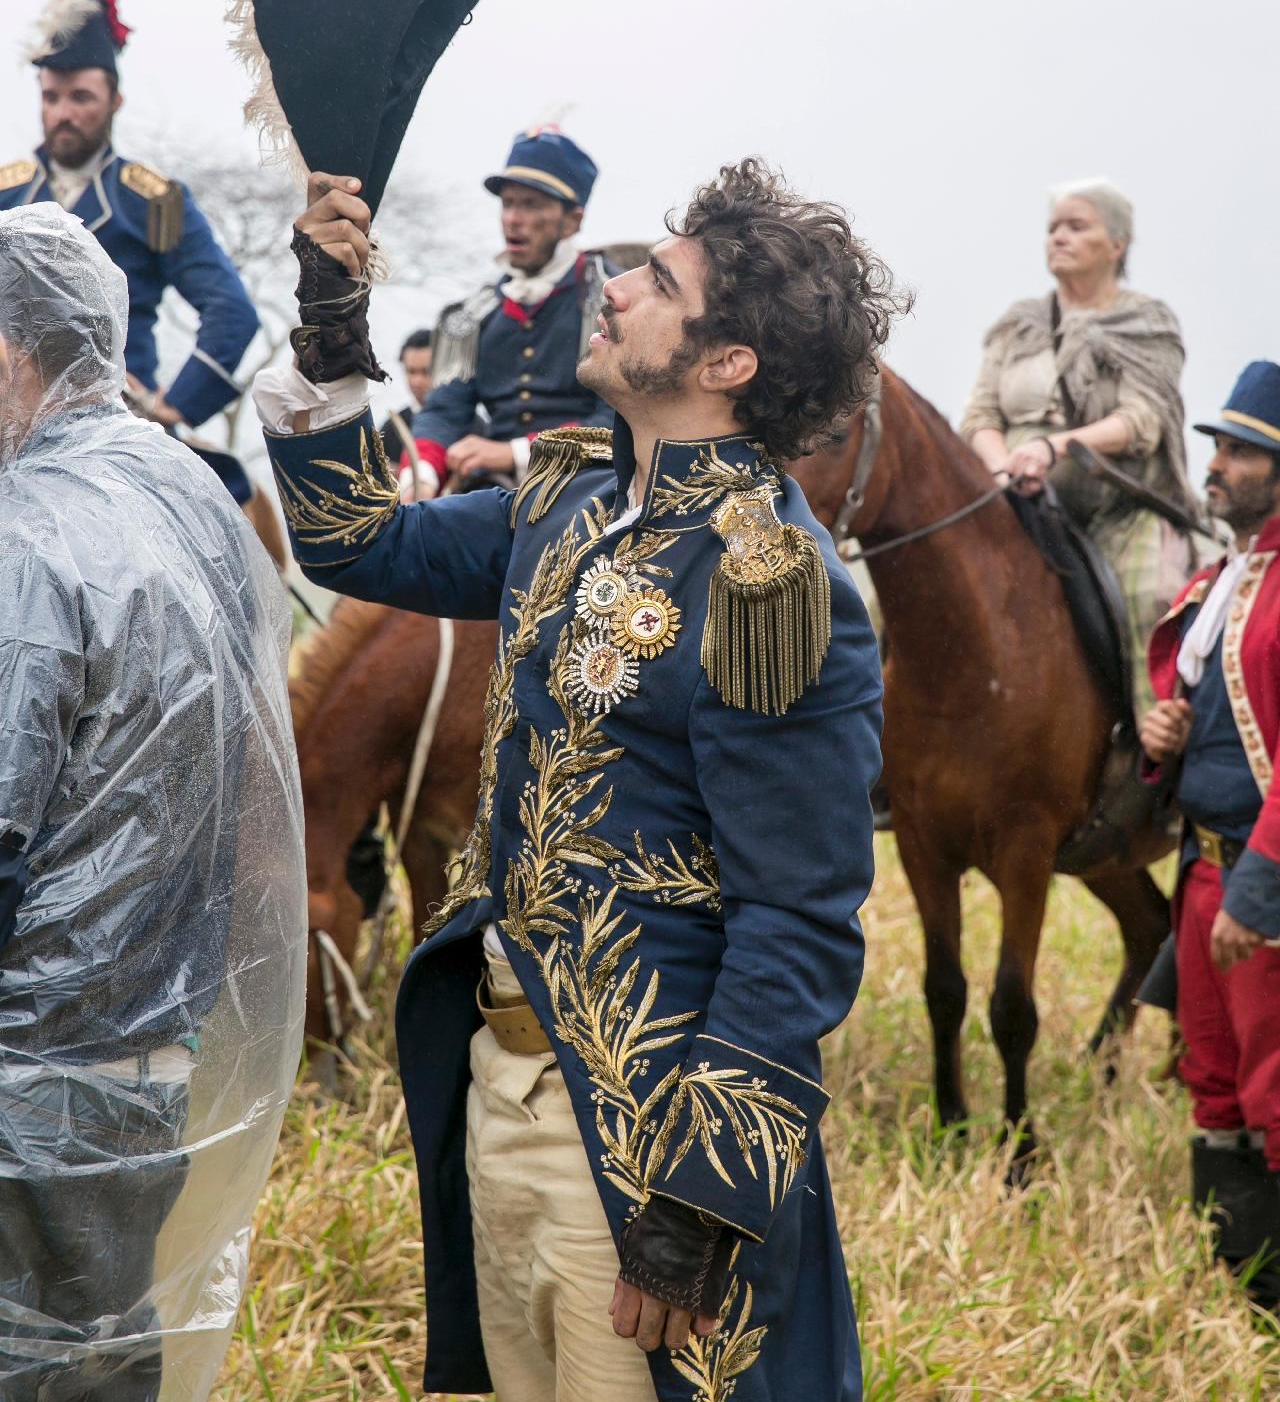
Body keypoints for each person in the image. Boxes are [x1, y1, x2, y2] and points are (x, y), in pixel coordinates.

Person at [256, 158, 900, 1402]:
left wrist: (697, 1210)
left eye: (657, 281)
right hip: (496, 1086)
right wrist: (333, 327)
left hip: (639, 1140)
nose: (608, 287)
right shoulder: (565, 498)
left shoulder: (776, 583)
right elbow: (355, 537)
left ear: (726, 365)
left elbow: (801, 918)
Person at [0, 205, 305, 1400]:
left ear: (12, 353)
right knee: (99, 1354)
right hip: (150, 1052)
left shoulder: (27, 530)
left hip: (27, 1065)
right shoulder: (190, 495)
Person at [1, 0, 261, 505]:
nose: (63, 114)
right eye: (51, 98)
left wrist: (177, 405)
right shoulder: (7, 196)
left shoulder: (152, 202)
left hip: (116, 411)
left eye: (81, 97)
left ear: (115, 100)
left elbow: (231, 310)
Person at [1140, 360, 1280, 1305]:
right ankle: (1239, 1284)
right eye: (1220, 447)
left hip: (1260, 886)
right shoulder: (1215, 580)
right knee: (1215, 1081)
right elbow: (1193, 704)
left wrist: (1257, 893)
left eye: (1242, 450)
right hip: (1203, 870)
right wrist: (1162, 733)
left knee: (1276, 1093)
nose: (1218, 464)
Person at [961, 178, 1204, 715]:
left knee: (1154, 600)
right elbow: (980, 415)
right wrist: (1001, 465)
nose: (1058, 238)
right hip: (1013, 501)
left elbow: (1143, 420)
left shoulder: (1147, 323)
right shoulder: (1018, 324)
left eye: (1077, 226)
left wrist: (1053, 449)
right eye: (1052, 228)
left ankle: (1158, 751)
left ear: (1117, 244)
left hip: (1120, 509)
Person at [405, 124, 614, 498]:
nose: (513, 218)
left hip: (592, 486)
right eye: (508, 203)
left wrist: (515, 452)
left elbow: (619, 416)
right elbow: (444, 411)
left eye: (532, 204)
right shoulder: (473, 313)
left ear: (573, 220)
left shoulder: (612, 300)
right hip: (493, 493)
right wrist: (421, 476)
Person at [378, 325, 435, 465]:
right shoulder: (391, 429)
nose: (417, 381)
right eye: (411, 371)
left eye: (425, 372)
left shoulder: (472, 425)